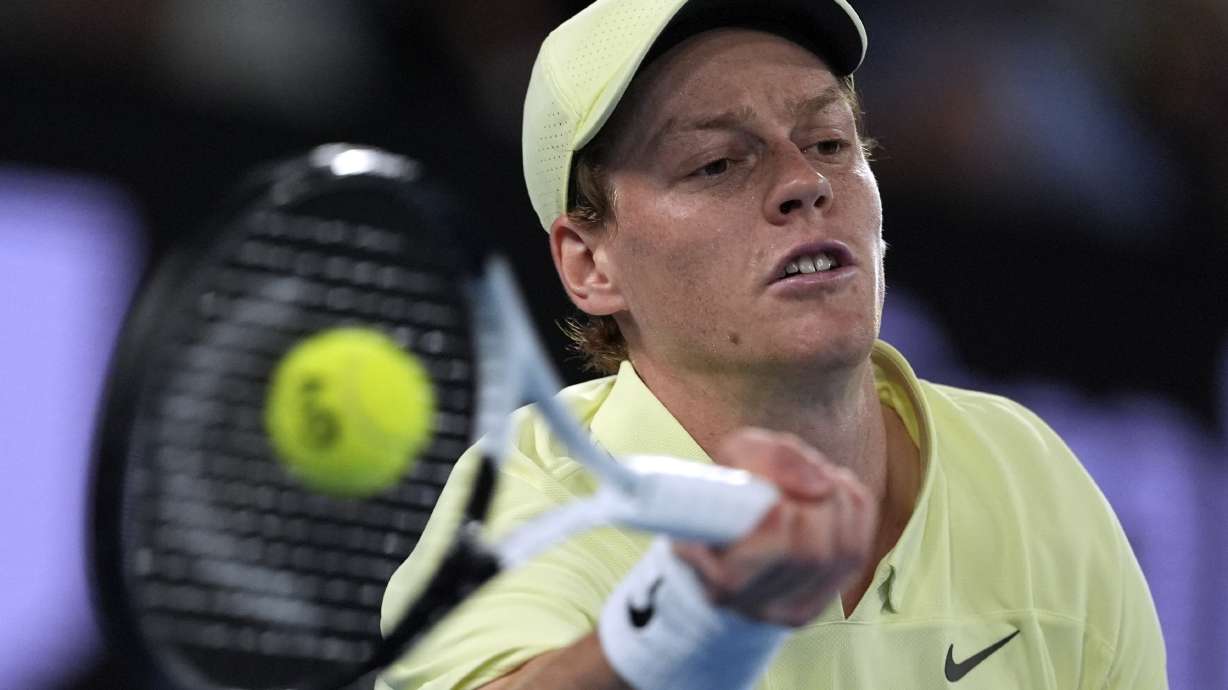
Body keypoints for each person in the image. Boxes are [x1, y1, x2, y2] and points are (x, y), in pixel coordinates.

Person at [378, 0, 1167, 688]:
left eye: (828, 143)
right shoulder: (527, 502)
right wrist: (683, 623)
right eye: (717, 163)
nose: (804, 182)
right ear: (590, 264)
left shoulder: (1027, 472)